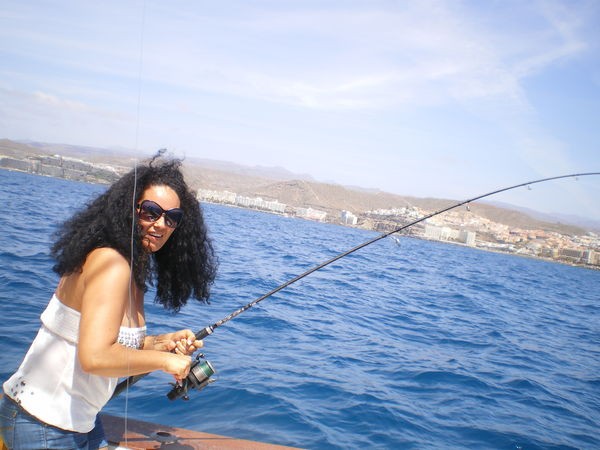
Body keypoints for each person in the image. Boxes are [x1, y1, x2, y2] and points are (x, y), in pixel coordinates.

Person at [0, 152, 218, 449]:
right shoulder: (112, 264)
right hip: (42, 423)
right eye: (151, 211)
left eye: (172, 218)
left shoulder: (132, 268)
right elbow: (96, 357)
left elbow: (112, 343)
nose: (160, 224)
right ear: (130, 208)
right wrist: (166, 362)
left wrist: (162, 343)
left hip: (81, 423)